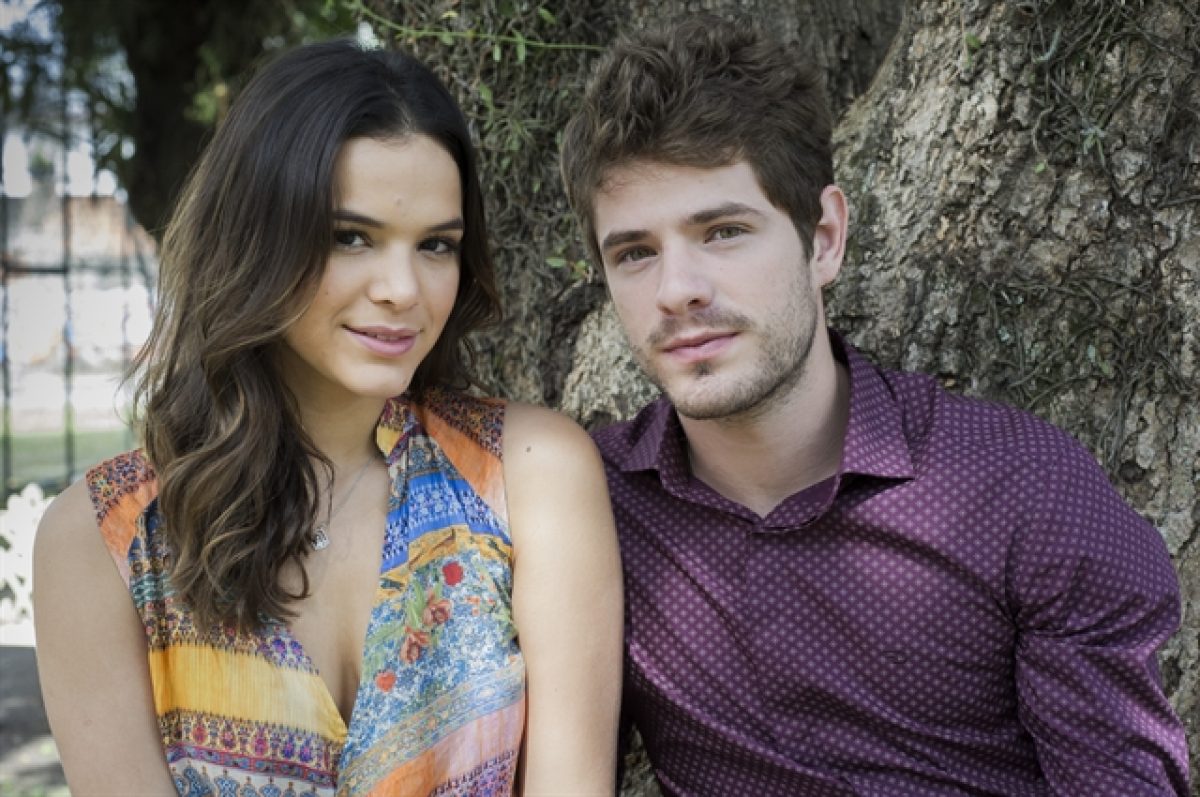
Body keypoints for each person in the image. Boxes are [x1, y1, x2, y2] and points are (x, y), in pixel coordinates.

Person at [559, 15, 1189, 797]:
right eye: (635, 252)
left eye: (722, 231)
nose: (677, 289)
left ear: (824, 237)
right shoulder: (590, 510)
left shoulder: (1024, 491)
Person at [33, 40, 622, 797]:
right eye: (351, 237)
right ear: (256, 239)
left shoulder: (529, 477)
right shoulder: (103, 543)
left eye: (436, 245)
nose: (403, 289)